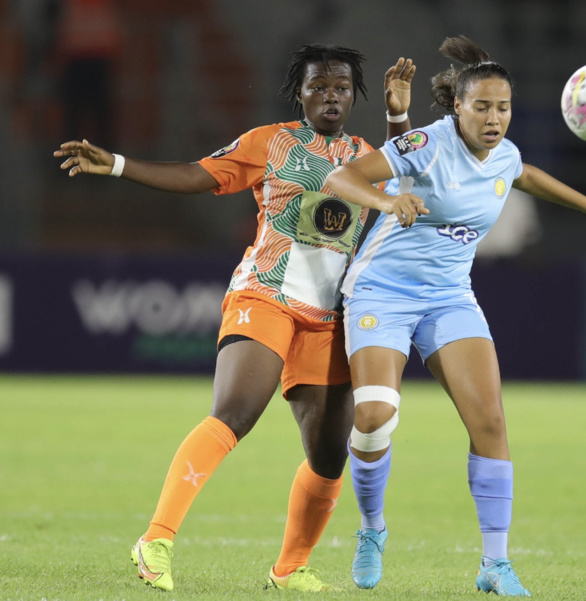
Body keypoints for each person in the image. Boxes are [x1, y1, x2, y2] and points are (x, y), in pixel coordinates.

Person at [54, 44, 416, 593]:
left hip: (329, 315)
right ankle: (156, 539)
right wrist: (120, 165)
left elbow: (406, 177)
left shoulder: (365, 154)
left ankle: (289, 569)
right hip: (265, 293)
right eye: (319, 85)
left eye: (341, 87)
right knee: (236, 411)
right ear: (301, 92)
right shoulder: (270, 142)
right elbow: (198, 175)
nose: (330, 96)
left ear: (353, 95)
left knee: (327, 456)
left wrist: (398, 114)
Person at [325, 35, 586, 597]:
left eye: (503, 108)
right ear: (458, 108)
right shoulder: (427, 143)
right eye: (482, 107)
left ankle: (494, 564)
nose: (494, 119)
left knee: (491, 423)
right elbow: (341, 178)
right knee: (374, 417)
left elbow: (526, 175)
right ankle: (372, 529)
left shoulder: (506, 153)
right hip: (382, 292)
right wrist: (387, 201)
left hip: (449, 297)